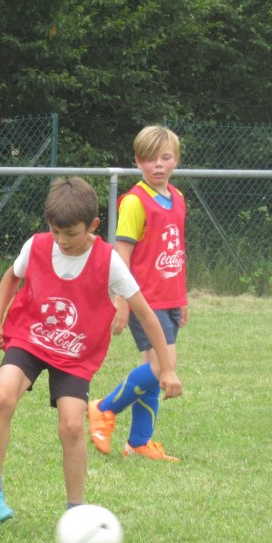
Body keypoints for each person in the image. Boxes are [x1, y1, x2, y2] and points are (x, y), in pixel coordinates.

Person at [0, 177, 184, 526]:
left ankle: (75, 511)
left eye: (71, 234)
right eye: (55, 231)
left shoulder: (108, 261)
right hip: (30, 338)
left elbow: (146, 314)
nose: (62, 240)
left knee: (73, 425)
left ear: (92, 225)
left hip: (75, 352)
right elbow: (11, 277)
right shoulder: (37, 246)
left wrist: (166, 368)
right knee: (2, 397)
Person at [88, 126, 187, 462]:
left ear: (176, 160)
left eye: (165, 157)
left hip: (170, 299)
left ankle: (139, 442)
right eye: (149, 158)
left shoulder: (178, 198)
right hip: (146, 301)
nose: (158, 164)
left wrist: (182, 298)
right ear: (137, 161)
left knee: (151, 371)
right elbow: (122, 255)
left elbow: (177, 252)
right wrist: (121, 300)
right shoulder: (134, 201)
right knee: (162, 367)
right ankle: (103, 408)